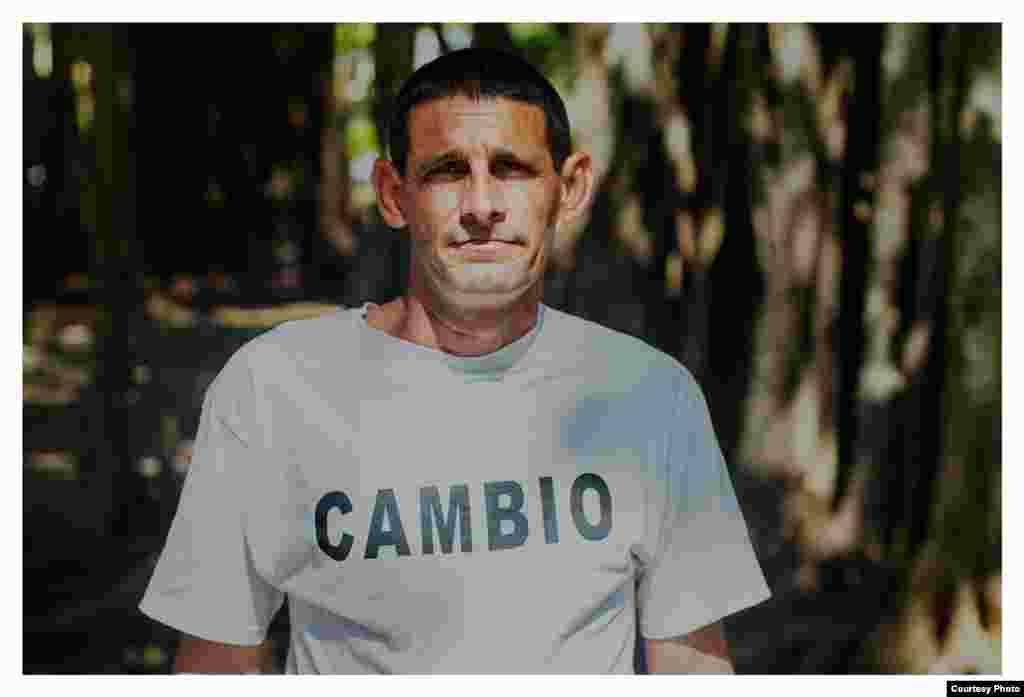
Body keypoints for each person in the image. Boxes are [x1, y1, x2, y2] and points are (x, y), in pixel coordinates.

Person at [140, 47, 770, 674]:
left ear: (570, 188)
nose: (482, 205)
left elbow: (692, 669)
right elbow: (217, 665)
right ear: (394, 194)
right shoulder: (274, 390)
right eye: (447, 171)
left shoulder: (651, 397)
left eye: (513, 169)